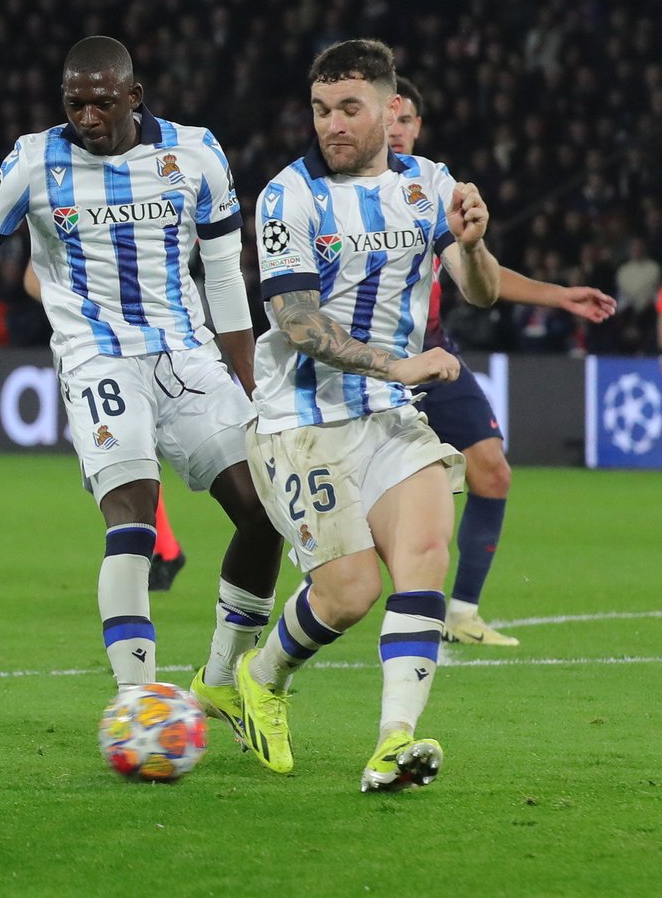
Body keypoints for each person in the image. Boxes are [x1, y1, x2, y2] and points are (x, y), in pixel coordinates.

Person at [0, 36, 282, 733]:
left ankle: (225, 677)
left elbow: (226, 275)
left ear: (134, 98)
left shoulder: (196, 153)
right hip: (97, 362)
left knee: (265, 512)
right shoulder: (33, 161)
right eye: (74, 102)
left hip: (186, 356)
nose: (87, 116)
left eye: (102, 102)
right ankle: (139, 702)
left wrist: (252, 378)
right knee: (134, 517)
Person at [239, 39, 500, 792]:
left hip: (387, 413)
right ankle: (262, 678)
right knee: (348, 593)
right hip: (300, 419)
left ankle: (395, 741)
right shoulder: (288, 195)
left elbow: (478, 292)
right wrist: (401, 364)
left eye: (349, 109)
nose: (332, 125)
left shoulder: (430, 186)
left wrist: (476, 247)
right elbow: (298, 323)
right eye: (321, 110)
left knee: (424, 550)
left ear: (392, 110)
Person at [389, 77, 615, 645]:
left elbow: (478, 275)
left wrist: (559, 294)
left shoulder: (433, 188)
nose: (396, 128)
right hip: (364, 362)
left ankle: (461, 612)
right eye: (387, 116)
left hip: (432, 350)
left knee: (491, 468)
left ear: (418, 127)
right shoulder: (331, 189)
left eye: (407, 119)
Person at [22, 261, 187, 590]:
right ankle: (164, 548)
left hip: (166, 336)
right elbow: (31, 280)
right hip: (106, 343)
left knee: (135, 450)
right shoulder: (68, 218)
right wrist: (84, 305)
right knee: (130, 450)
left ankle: (164, 549)